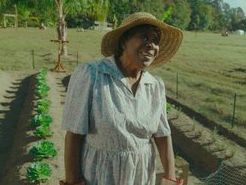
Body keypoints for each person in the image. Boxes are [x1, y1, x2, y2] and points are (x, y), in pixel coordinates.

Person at [61, 12, 184, 185]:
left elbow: (163, 135)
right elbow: (74, 135)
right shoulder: (92, 74)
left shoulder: (155, 86)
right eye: (144, 37)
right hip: (100, 175)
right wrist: (72, 181)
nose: (151, 45)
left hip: (140, 176)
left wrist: (170, 178)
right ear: (124, 41)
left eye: (156, 40)